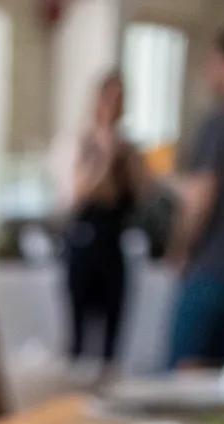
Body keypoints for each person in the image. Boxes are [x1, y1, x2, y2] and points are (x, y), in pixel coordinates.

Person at [61, 71, 145, 367]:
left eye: (120, 99)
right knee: (77, 338)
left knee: (112, 340)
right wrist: (106, 157)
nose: (114, 105)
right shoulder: (83, 142)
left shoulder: (129, 149)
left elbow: (137, 194)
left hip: (113, 244)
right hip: (84, 244)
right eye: (109, 97)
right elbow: (76, 195)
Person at [169, 29, 224, 367]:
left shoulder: (219, 125)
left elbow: (200, 199)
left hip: (212, 274)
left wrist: (179, 250)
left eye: (213, 63)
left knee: (184, 381)